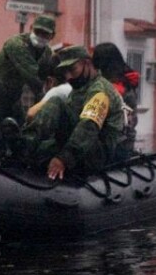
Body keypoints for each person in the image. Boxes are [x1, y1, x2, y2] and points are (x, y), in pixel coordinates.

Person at [21, 43, 129, 181]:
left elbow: (88, 126)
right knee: (41, 150)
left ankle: (25, 144)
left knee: (56, 102)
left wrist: (63, 159)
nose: (69, 77)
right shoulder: (80, 89)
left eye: (72, 70)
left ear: (87, 63)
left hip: (97, 151)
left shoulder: (99, 91)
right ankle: (22, 146)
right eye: (65, 72)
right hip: (81, 145)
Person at [0, 12, 57, 128]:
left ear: (52, 36)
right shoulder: (16, 44)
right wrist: (50, 98)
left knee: (19, 132)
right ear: (31, 28)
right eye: (38, 32)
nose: (40, 36)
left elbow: (45, 78)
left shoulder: (47, 53)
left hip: (13, 98)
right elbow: (33, 77)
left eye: (45, 34)